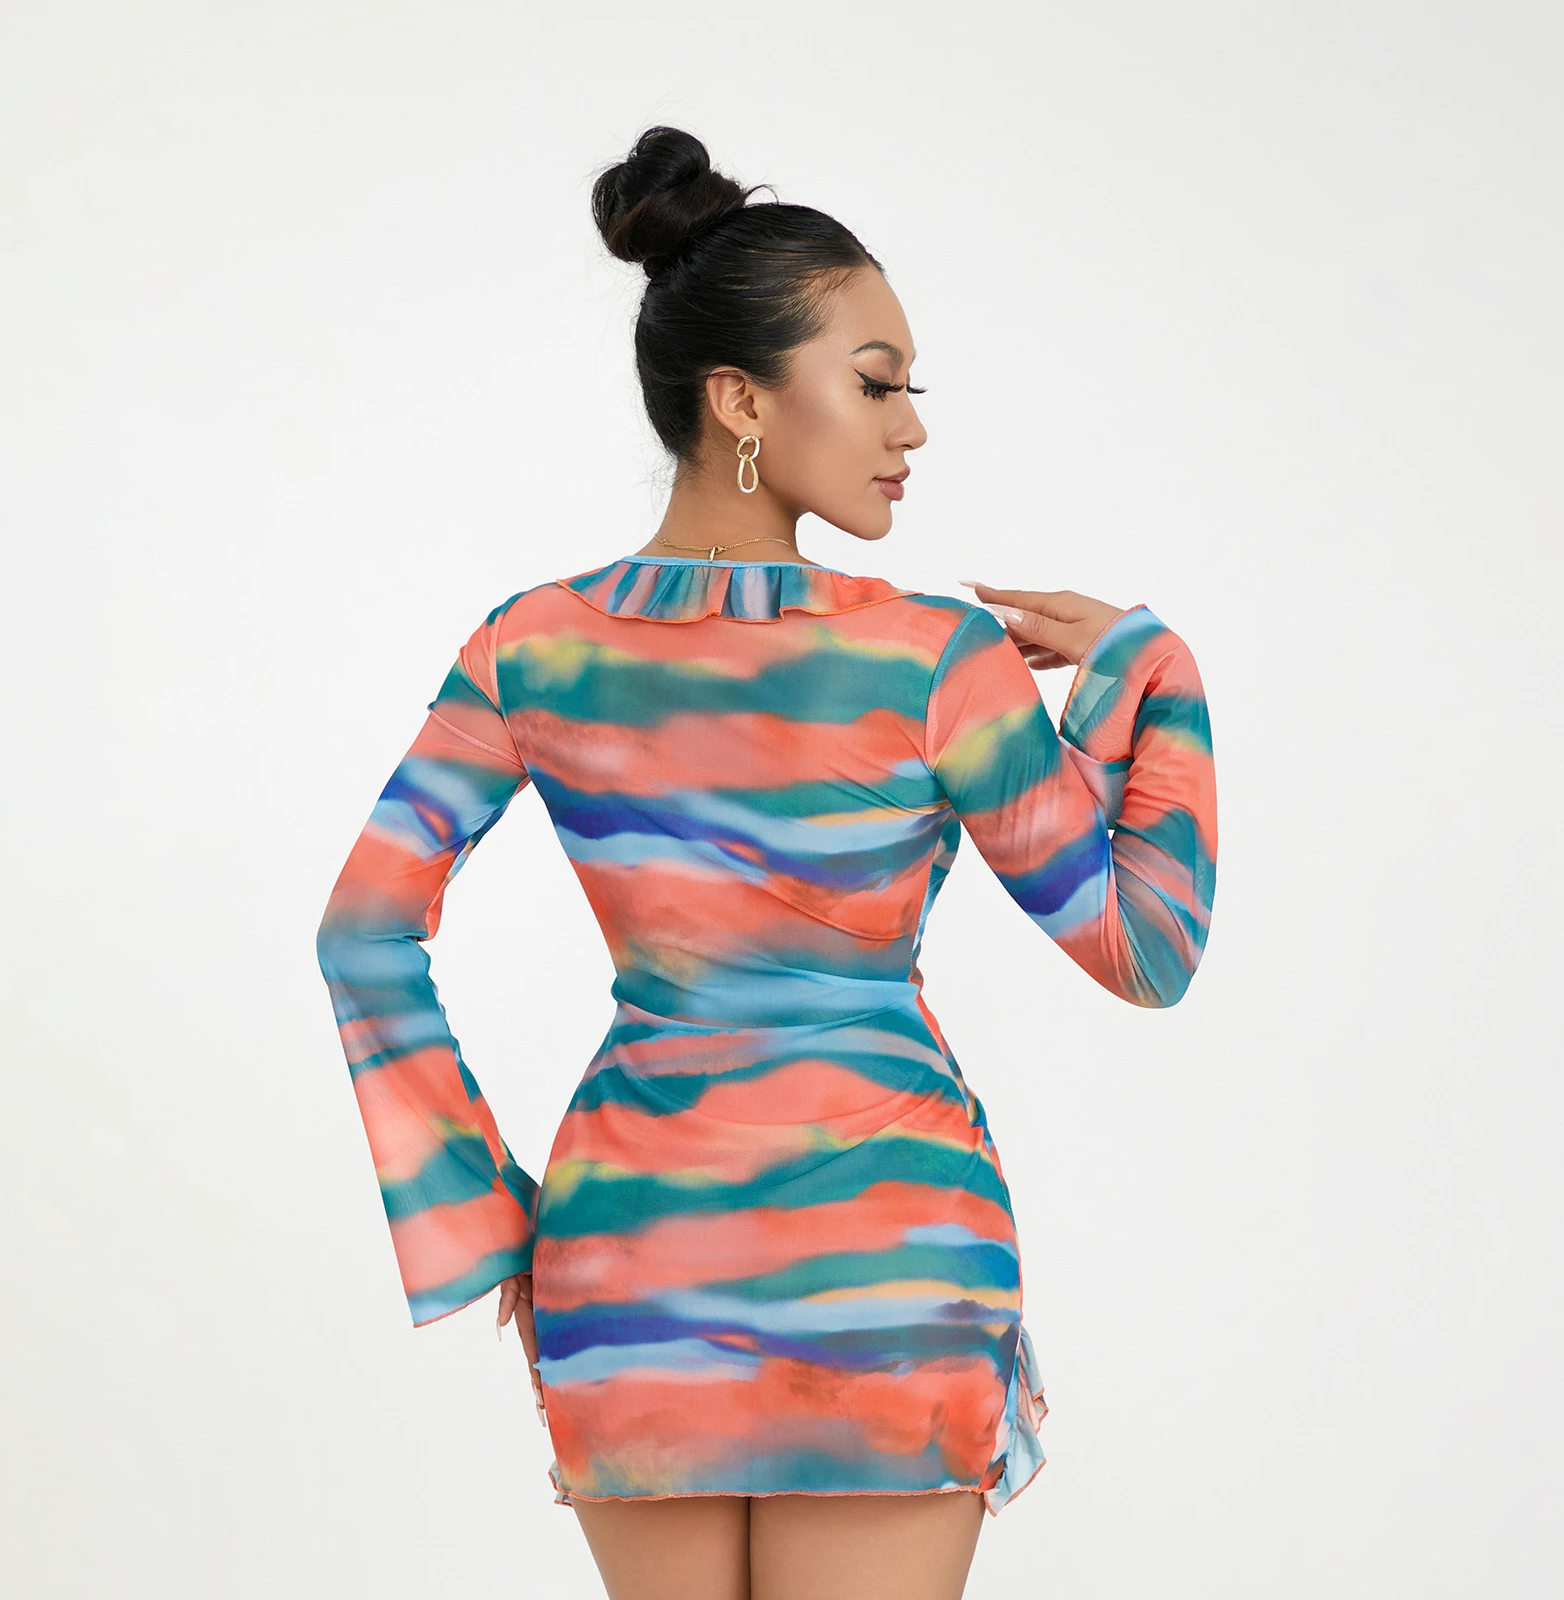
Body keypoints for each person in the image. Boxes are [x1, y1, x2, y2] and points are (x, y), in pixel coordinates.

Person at [316, 125, 1217, 1600]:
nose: (910, 427)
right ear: (739, 398)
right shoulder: (938, 659)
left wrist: (482, 1219)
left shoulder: (531, 646)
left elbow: (360, 932)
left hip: (632, 1259)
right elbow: (1146, 947)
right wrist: (1151, 674)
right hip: (888, 1262)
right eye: (876, 382)